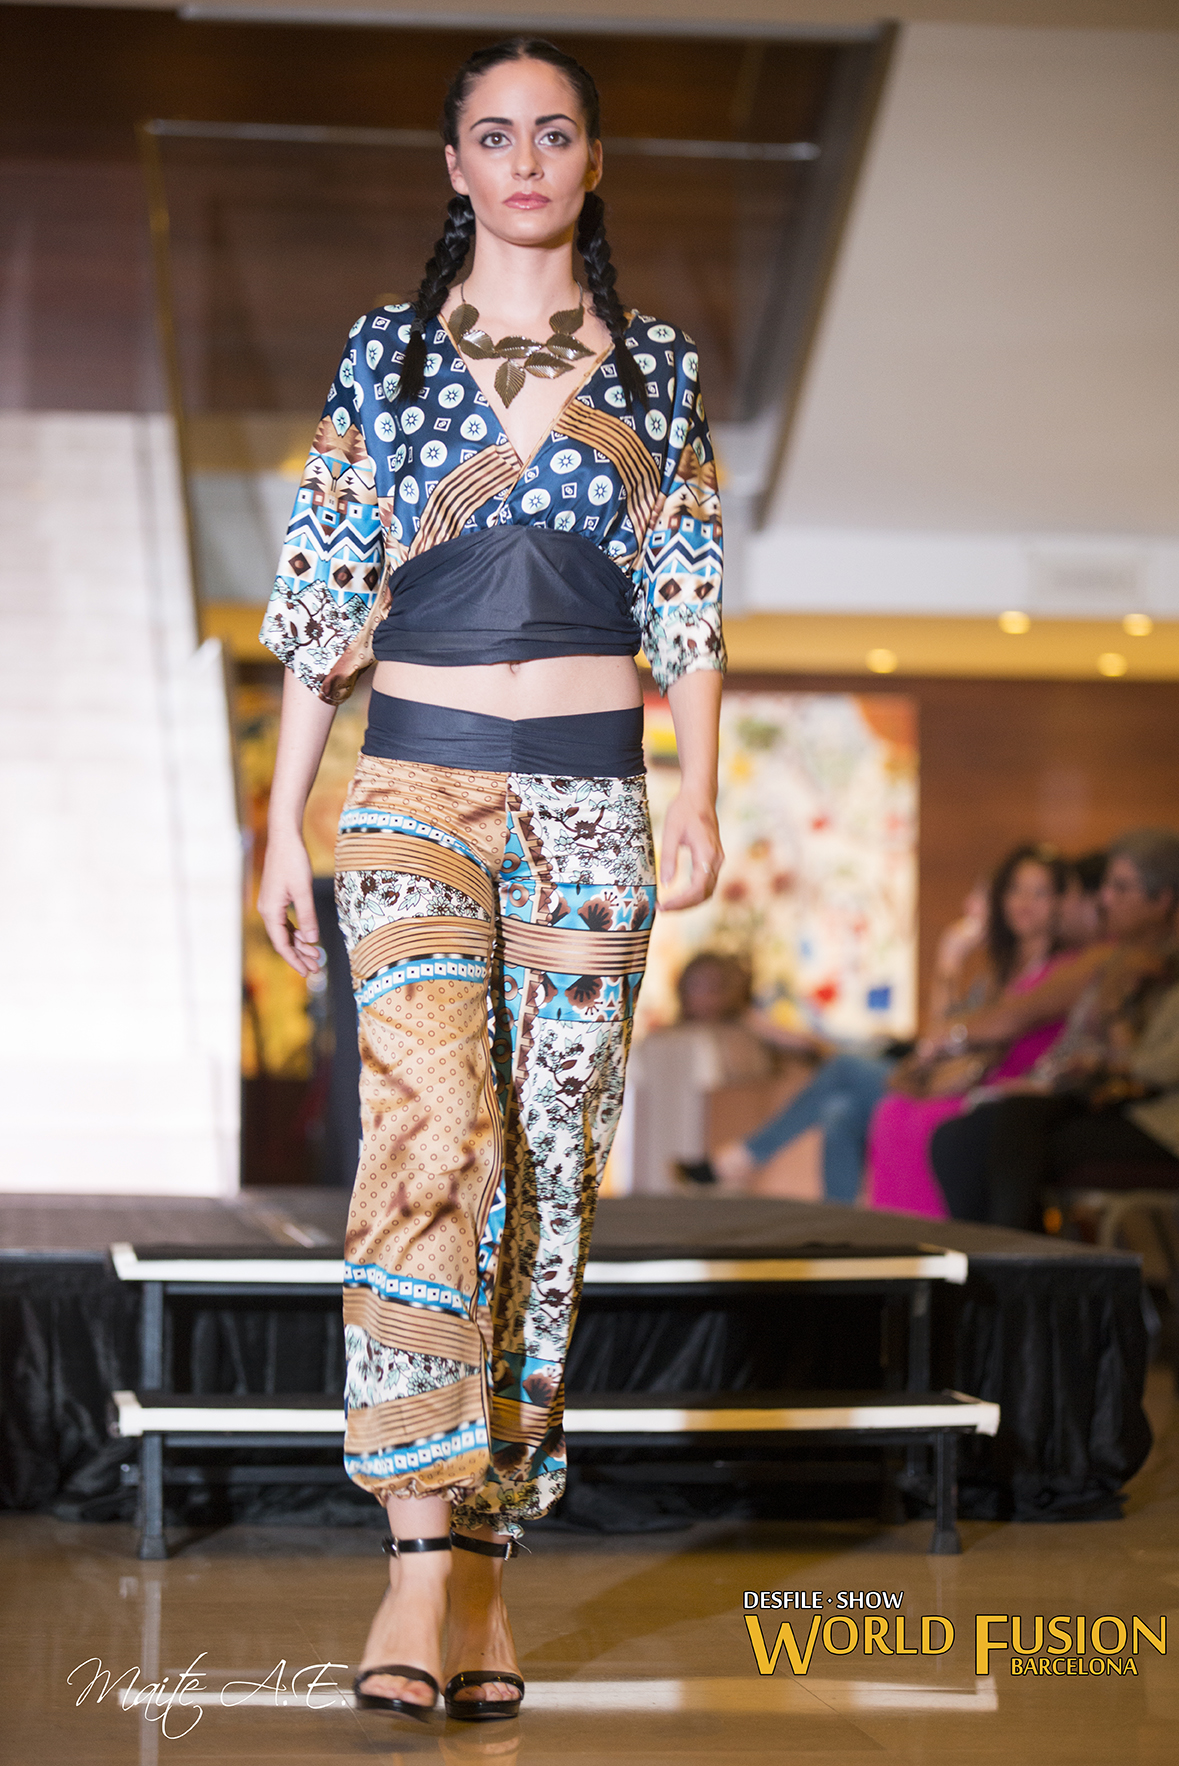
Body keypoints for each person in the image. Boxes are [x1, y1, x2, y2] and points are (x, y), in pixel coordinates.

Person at [256, 38, 725, 1722]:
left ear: (590, 161)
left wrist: (699, 789)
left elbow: (686, 593)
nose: (523, 158)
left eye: (553, 132)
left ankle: (485, 1553)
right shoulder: (382, 354)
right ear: (452, 165)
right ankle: (409, 1553)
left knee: (547, 1174)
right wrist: (279, 824)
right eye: (492, 134)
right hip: (410, 793)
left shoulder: (656, 367)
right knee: (423, 1139)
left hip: (592, 802)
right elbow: (322, 592)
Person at [930, 831, 1179, 1231]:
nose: (1105, 898)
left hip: (1161, 1122)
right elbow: (1084, 1042)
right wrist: (1049, 1078)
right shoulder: (1118, 959)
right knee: (956, 1138)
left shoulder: (1151, 966)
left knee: (1014, 1130)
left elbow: (1152, 1068)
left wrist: (1099, 1049)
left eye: (1120, 888)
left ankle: (1014, 1258)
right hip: (1103, 1097)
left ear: (1163, 899)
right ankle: (989, 1258)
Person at [865, 844, 1074, 1217]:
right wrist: (948, 963)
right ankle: (895, 1232)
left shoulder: (1067, 969)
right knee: (892, 1110)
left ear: (1060, 901)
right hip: (973, 1078)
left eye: (1039, 892)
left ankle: (935, 1238)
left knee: (928, 1119)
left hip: (1018, 1085)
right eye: (1016, 890)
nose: (1025, 902)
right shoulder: (996, 973)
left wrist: (957, 1036)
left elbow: (1011, 1031)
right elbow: (938, 1032)